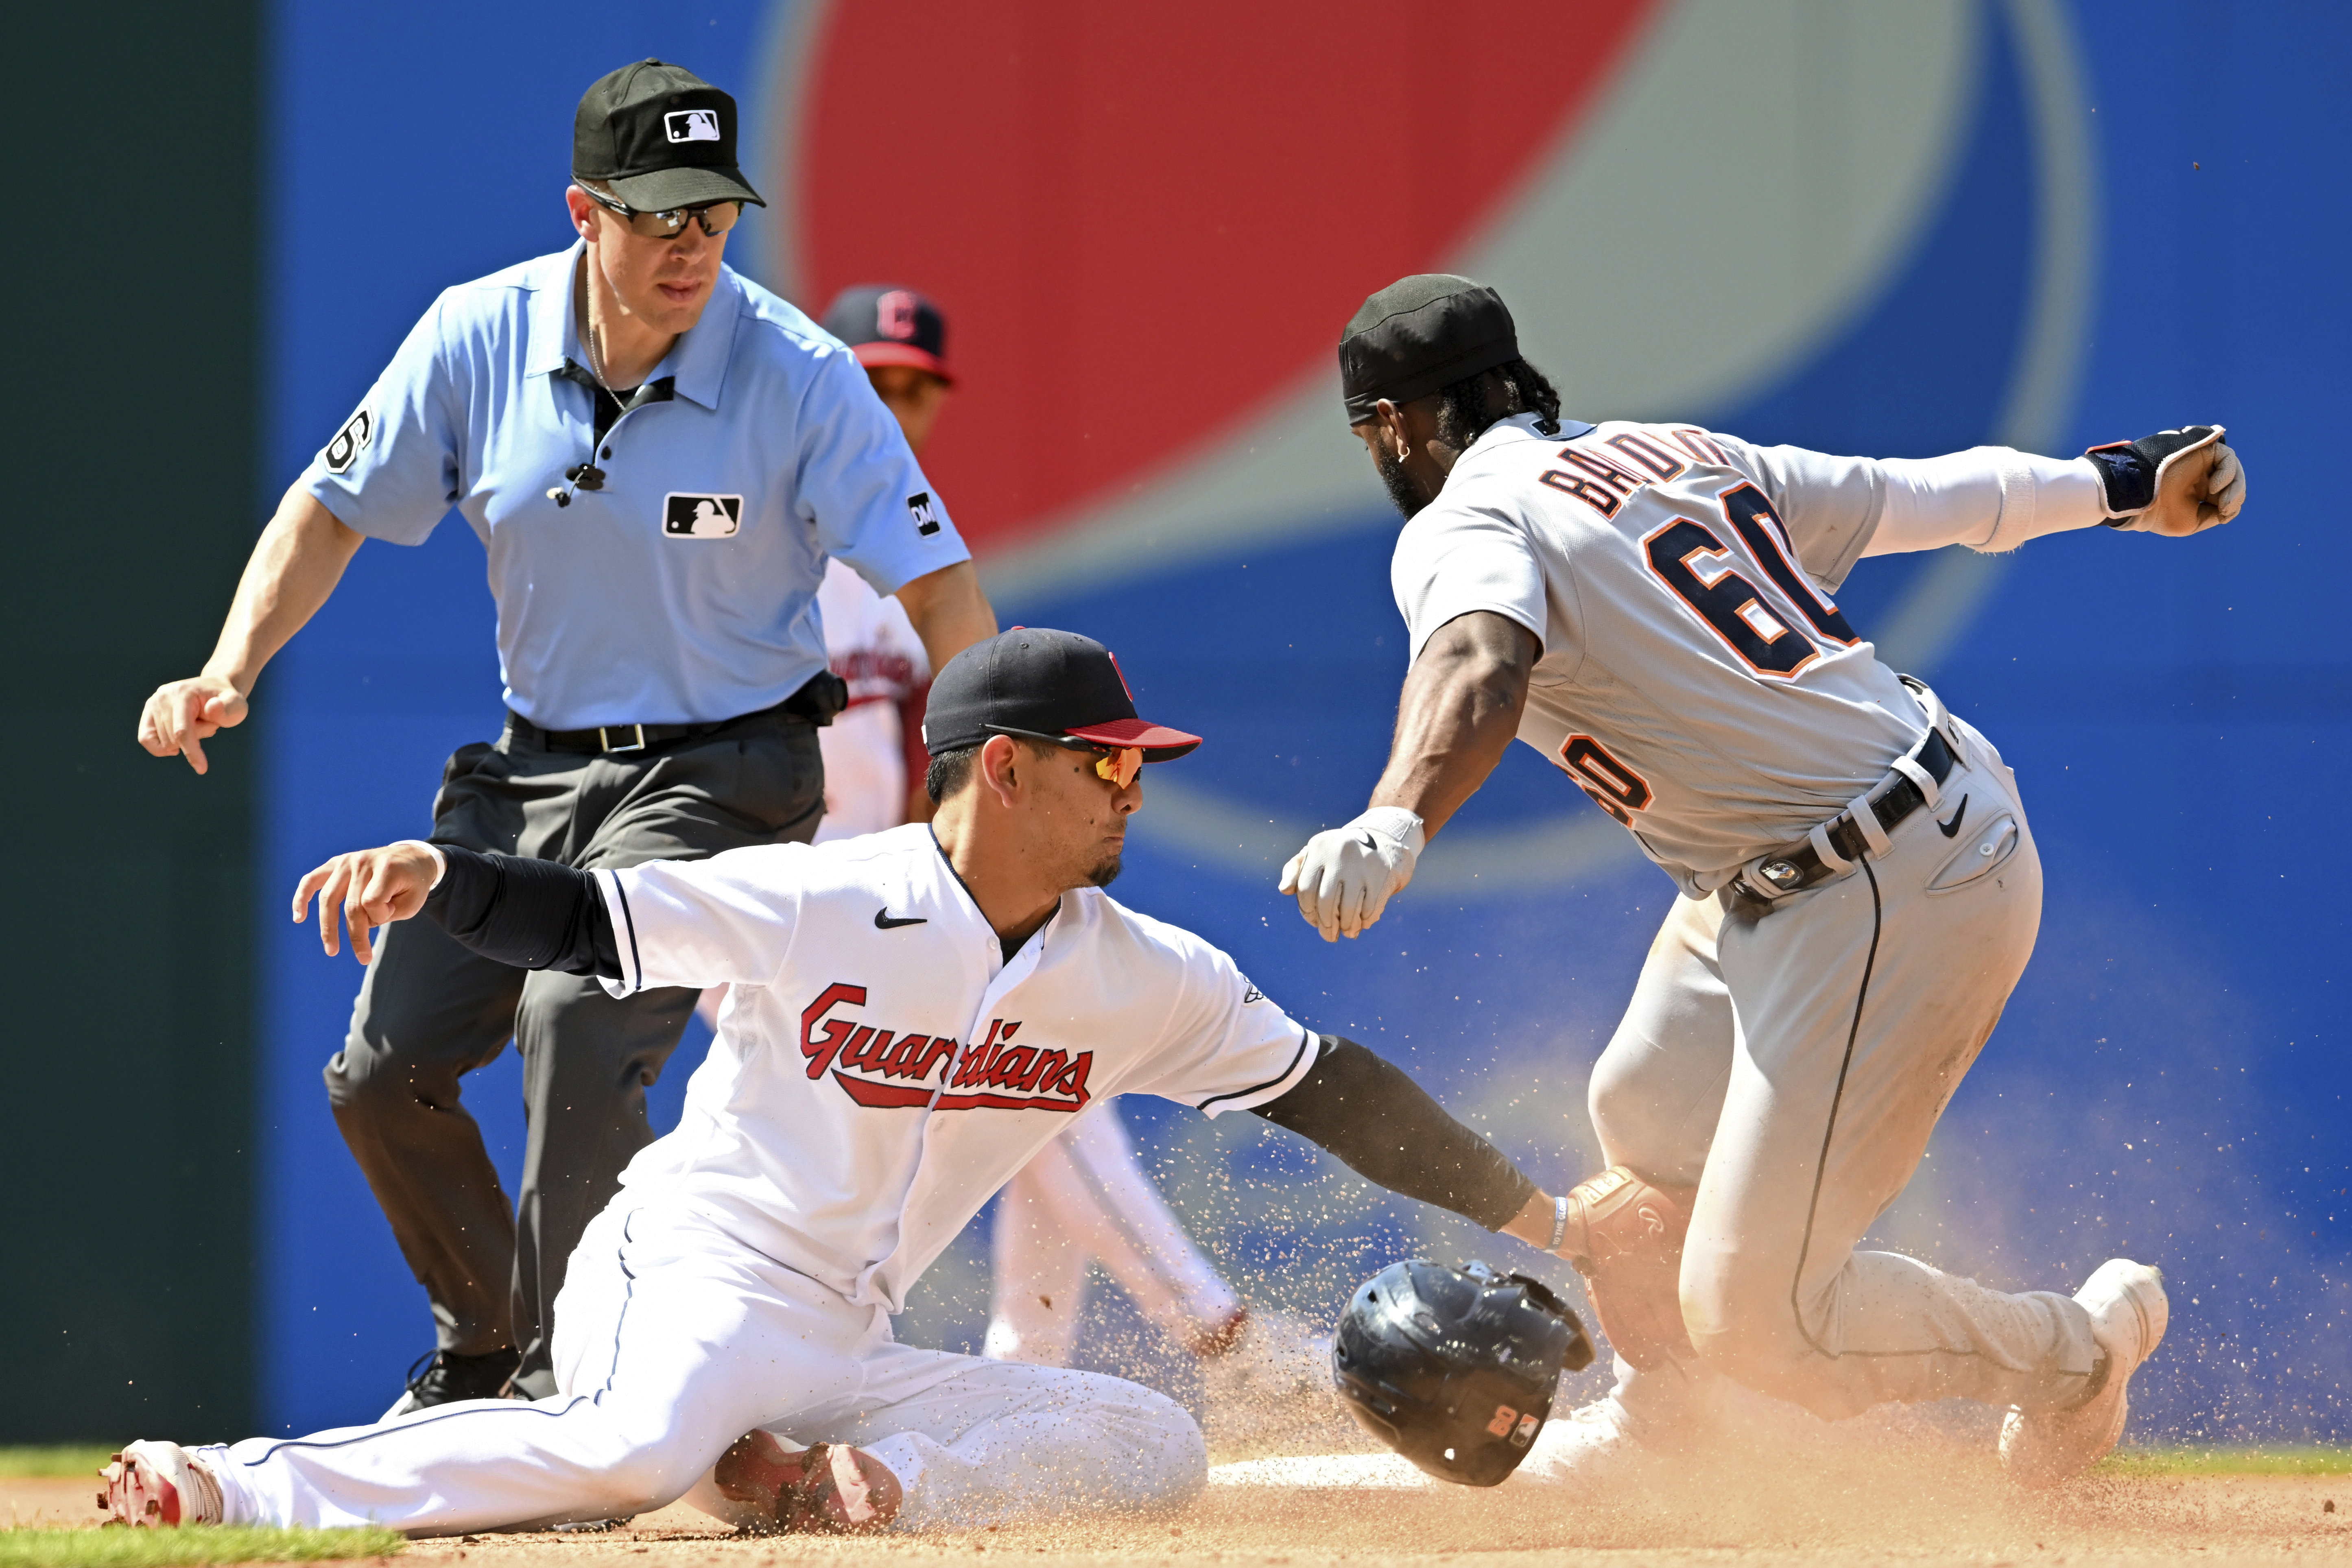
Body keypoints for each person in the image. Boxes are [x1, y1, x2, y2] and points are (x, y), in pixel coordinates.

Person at [101, 629, 1577, 1535]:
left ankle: (846, 1490)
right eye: (1105, 763)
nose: (1135, 785)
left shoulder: (1141, 971)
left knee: (1150, 1440)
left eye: (1138, 763)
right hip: (696, 1275)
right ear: (1003, 770)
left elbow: (1333, 1091)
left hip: (844, 1346)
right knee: (627, 1450)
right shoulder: (825, 900)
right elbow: (595, 921)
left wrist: (1551, 1222)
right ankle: (228, 1485)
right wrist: (445, 877)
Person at [1277, 274, 2246, 1488]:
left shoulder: (1459, 522)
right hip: (1837, 848)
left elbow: (1479, 659)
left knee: (1763, 1319)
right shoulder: (1673, 452)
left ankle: (2081, 1357)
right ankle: (1672, 1422)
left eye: (1378, 431)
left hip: (1884, 878)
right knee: (1644, 1112)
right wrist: (2117, 486)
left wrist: (1393, 818)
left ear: (1397, 424)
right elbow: (1931, 494)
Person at [131, 59, 996, 1413]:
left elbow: (942, 591)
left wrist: (980, 784)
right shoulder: (476, 335)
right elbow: (331, 505)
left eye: (715, 215)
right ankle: (488, 1346)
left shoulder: (802, 373)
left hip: (728, 773)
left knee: (574, 1023)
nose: (693, 246)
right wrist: (228, 667)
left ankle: (579, 1395)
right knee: (383, 1072)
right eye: (661, 216)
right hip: (531, 772)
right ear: (586, 211)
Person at [801, 286, 1328, 1423]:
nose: (895, 407)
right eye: (871, 383)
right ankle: (1220, 1339)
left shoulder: (912, 568)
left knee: (1037, 1079)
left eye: (913, 387)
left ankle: (1028, 1376)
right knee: (1037, 1080)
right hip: (791, 908)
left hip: (890, 901)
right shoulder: (759, 553)